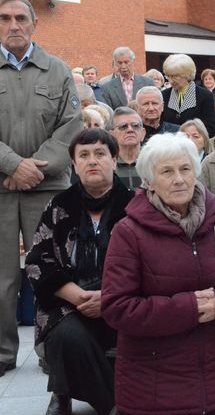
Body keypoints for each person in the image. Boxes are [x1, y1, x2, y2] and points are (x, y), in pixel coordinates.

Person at [101, 133, 215, 414]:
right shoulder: (128, 231)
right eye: (167, 171)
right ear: (148, 181)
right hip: (152, 387)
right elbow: (117, 308)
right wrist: (190, 308)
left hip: (212, 379)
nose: (179, 179)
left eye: (186, 169)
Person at [0, 0, 83, 378]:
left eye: (20, 17)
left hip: (48, 189)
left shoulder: (58, 70)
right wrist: (13, 166)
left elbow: (71, 128)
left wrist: (33, 170)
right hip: (0, 188)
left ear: (34, 23)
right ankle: (2, 354)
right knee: (2, 276)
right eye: (4, 18)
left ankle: (54, 350)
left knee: (51, 272)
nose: (13, 25)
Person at [26, 129, 133, 415]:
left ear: (114, 159)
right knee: (68, 336)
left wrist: (107, 297)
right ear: (74, 164)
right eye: (83, 156)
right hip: (70, 302)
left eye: (100, 154)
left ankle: (65, 391)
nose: (92, 161)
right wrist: (77, 296)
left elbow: (152, 260)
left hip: (123, 299)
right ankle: (111, 405)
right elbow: (38, 258)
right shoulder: (60, 205)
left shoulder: (136, 205)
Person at [161, 53, 215, 137]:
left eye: (175, 76)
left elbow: (211, 129)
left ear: (187, 75)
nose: (171, 81)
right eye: (168, 76)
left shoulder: (204, 95)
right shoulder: (164, 95)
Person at [108, 107, 145, 190]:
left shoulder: (154, 162)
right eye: (123, 126)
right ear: (111, 135)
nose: (130, 130)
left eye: (135, 125)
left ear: (143, 133)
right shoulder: (106, 164)